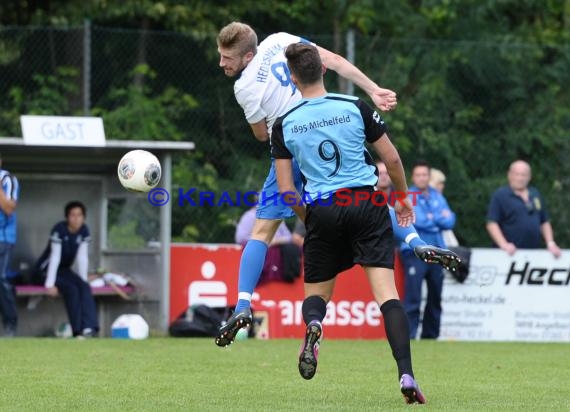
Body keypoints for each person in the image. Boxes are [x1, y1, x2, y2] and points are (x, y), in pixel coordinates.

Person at [215, 22, 455, 346]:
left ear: (246, 56)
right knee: (364, 200)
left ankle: (243, 304)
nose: (222, 63)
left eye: (227, 57)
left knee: (261, 231)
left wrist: (308, 220)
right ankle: (415, 241)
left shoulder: (243, 88)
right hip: (329, 133)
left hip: (292, 144)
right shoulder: (281, 40)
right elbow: (336, 61)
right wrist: (372, 89)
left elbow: (262, 134)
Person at [273, 42, 426, 404]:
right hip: (367, 202)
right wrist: (402, 198)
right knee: (387, 296)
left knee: (317, 297)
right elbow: (391, 159)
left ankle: (314, 326)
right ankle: (406, 373)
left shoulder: (285, 123)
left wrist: (311, 219)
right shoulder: (355, 106)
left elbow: (286, 190)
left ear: (293, 79)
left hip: (323, 208)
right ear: (323, 71)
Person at [401, 161, 456, 340]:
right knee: (413, 297)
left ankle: (430, 337)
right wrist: (437, 218)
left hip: (437, 252)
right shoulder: (409, 195)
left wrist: (434, 218)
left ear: (429, 176)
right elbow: (419, 220)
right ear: (413, 177)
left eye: (425, 175)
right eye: (418, 175)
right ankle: (409, 336)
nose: (422, 178)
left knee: (435, 297)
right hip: (414, 252)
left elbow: (450, 221)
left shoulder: (437, 195)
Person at [35, 201, 99, 338]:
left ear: (84, 217)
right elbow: (55, 258)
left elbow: (82, 258)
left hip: (64, 270)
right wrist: (49, 284)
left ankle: (89, 328)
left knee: (83, 286)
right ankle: (77, 331)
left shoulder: (84, 230)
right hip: (45, 271)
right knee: (71, 289)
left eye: (79, 215)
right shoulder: (59, 229)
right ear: (67, 217)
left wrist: (82, 279)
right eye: (72, 215)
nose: (76, 219)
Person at [486, 160, 561, 258]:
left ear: (529, 177)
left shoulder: (535, 194)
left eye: (524, 175)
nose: (520, 178)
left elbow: (544, 221)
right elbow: (491, 223)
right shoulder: (500, 195)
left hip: (533, 254)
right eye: (517, 174)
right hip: (507, 255)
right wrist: (504, 244)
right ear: (509, 175)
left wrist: (551, 243)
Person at [0, 155, 19, 337]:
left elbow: (8, 208)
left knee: (1, 279)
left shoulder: (7, 179)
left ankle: (10, 324)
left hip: (3, 238)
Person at [429, 168, 459, 247]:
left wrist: (433, 216)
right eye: (440, 183)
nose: (442, 186)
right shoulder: (416, 196)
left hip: (441, 241)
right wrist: (441, 216)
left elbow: (450, 220)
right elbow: (420, 220)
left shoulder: (440, 198)